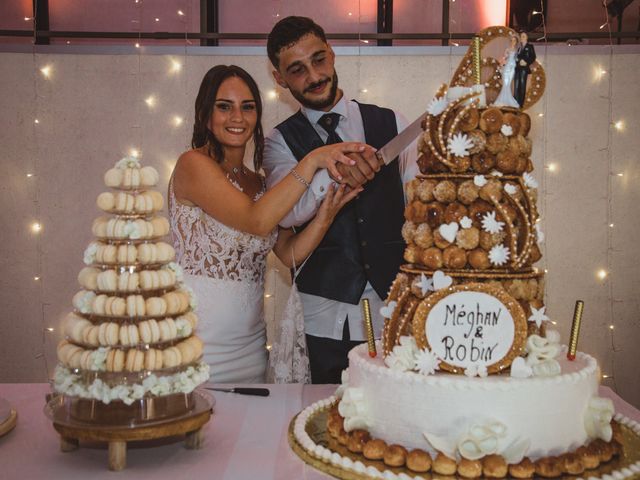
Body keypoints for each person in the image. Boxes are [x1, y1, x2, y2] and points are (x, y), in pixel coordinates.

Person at [169, 65, 366, 383]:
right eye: (224, 106)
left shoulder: (260, 184)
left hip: (249, 346)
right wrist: (312, 159)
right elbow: (256, 220)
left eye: (247, 107)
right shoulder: (193, 165)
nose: (238, 117)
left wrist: (325, 217)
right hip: (194, 344)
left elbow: (288, 255)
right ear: (205, 113)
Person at [263, 16, 419, 384]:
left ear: (332, 54)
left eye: (319, 59)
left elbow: (421, 203)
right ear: (280, 80)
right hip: (324, 314)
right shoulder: (278, 142)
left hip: (392, 309)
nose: (314, 76)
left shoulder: (393, 123)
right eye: (297, 70)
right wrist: (329, 170)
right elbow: (289, 214)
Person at [493, 35, 520, 108]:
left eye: (514, 40)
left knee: (508, 84)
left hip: (512, 67)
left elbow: (518, 59)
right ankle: (503, 101)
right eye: (512, 40)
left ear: (516, 42)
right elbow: (504, 58)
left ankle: (506, 100)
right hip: (506, 67)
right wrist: (501, 65)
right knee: (505, 84)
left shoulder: (517, 50)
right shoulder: (507, 49)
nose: (513, 42)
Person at [513, 31, 536, 108]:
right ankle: (515, 102)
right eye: (521, 36)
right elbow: (517, 57)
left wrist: (527, 62)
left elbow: (533, 57)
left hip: (524, 69)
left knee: (522, 85)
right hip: (518, 68)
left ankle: (520, 104)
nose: (521, 38)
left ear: (527, 38)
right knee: (516, 85)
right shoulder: (519, 48)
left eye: (523, 36)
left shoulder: (530, 46)